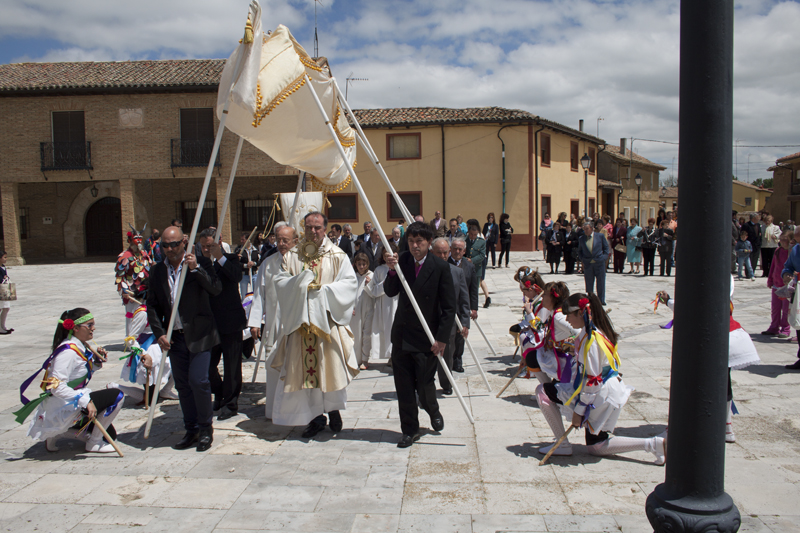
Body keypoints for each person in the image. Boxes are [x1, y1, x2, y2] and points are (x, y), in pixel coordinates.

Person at [534, 293, 666, 463]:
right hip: (606, 390)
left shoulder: (592, 340)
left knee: (543, 392)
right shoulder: (593, 331)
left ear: (581, 313)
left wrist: (579, 411)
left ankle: (562, 444)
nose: (566, 319)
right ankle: (654, 444)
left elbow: (592, 380)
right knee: (597, 446)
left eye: (569, 315)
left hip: (601, 394)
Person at [271, 212, 359, 438]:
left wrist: (323, 291)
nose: (313, 231)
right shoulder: (293, 255)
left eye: (317, 227)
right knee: (306, 374)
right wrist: (299, 283)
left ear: (325, 229)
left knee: (330, 370)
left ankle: (334, 411)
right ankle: (315, 418)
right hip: (300, 326)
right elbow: (280, 281)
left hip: (327, 324)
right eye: (309, 227)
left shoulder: (337, 255)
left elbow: (349, 283)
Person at [147, 226, 222, 452]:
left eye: (174, 244)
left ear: (184, 243)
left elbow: (215, 289)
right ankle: (191, 429)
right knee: (182, 385)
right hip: (175, 337)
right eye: (165, 245)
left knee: (199, 381)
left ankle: (206, 428)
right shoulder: (157, 271)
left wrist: (196, 269)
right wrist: (159, 333)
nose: (170, 249)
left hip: (200, 334)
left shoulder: (201, 263)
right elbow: (152, 305)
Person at [657, 278, 760, 442]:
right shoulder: (726, 277)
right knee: (723, 381)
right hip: (729, 335)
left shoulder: (709, 276)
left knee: (690, 381)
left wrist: (670, 301)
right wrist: (669, 300)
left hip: (713, 338)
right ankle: (726, 427)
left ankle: (680, 428)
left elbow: (692, 305)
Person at [384, 222, 455, 448]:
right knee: (404, 386)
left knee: (424, 385)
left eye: (419, 242)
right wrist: (392, 271)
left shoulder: (440, 267)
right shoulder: (402, 260)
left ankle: (433, 409)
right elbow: (390, 291)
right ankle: (410, 430)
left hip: (427, 337)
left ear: (429, 242)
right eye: (411, 241)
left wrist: (441, 339)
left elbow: (449, 307)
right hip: (403, 334)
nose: (415, 246)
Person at [16, 308, 122, 454]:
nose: (93, 328)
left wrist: (97, 361)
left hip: (72, 399)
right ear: (76, 328)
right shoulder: (68, 352)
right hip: (64, 403)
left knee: (110, 436)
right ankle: (93, 442)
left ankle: (60, 434)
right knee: (117, 396)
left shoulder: (79, 345)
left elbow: (79, 375)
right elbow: (55, 386)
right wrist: (85, 401)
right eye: (89, 325)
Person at [198, 229, 247, 421]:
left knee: (232, 365)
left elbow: (236, 277)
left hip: (230, 320)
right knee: (207, 365)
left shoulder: (231, 259)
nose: (206, 249)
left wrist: (220, 257)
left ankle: (230, 403)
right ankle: (218, 392)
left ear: (218, 243)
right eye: (203, 246)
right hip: (208, 323)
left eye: (210, 245)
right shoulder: (198, 263)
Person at [249, 222, 297, 417]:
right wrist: (255, 322)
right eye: (279, 240)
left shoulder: (302, 262)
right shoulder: (268, 263)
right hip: (274, 324)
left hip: (295, 323)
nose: (282, 244)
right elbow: (259, 294)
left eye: (286, 240)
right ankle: (274, 410)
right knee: (273, 364)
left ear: (295, 241)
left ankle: (295, 410)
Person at [517, 279, 576, 385]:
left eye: (545, 295)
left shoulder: (559, 317)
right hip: (553, 351)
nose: (542, 297)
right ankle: (549, 386)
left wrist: (571, 341)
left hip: (563, 358)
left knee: (532, 358)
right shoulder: (554, 313)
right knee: (531, 356)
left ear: (553, 298)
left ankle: (548, 388)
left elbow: (578, 331)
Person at [431, 238, 469, 396]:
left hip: (449, 321)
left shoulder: (457, 272)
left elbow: (464, 299)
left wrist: (465, 322)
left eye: (445, 252)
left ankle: (446, 383)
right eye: (438, 253)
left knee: (447, 354)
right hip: (429, 319)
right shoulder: (426, 270)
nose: (442, 256)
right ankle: (426, 383)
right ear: (432, 252)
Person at [365, 242, 400, 365]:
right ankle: (389, 355)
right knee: (385, 329)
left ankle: (395, 355)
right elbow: (373, 290)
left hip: (396, 302)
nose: (387, 258)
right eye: (385, 255)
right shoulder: (379, 270)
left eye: (389, 255)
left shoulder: (399, 268)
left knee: (395, 328)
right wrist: (384, 284)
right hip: (383, 304)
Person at [115, 226, 152, 337]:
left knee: (145, 314)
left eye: (140, 238)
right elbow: (120, 275)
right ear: (130, 240)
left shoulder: (144, 254)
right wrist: (124, 290)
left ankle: (144, 338)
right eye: (136, 238)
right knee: (132, 315)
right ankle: (130, 340)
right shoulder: (125, 256)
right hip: (132, 292)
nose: (139, 241)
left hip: (145, 291)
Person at [448, 237, 477, 373]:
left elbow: (473, 289)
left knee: (461, 335)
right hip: (449, 306)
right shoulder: (444, 264)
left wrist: (474, 308)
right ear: (450, 249)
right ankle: (448, 360)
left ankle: (457, 360)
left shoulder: (469, 266)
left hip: (463, 307)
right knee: (449, 336)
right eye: (455, 249)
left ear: (464, 251)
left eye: (460, 249)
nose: (457, 251)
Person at [763, 229, 793, 339]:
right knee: (775, 308)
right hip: (776, 284)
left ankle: (785, 328)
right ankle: (774, 327)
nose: (783, 242)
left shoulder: (792, 252)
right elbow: (773, 266)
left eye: (785, 239)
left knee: (786, 309)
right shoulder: (777, 251)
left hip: (787, 286)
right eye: (781, 239)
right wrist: (770, 279)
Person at [352, 252, 375, 370]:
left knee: (366, 334)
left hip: (369, 308)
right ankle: (356, 359)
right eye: (359, 264)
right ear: (355, 264)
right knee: (356, 333)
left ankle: (365, 359)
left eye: (364, 264)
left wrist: (368, 284)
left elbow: (374, 294)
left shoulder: (372, 275)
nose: (361, 266)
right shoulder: (352, 276)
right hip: (355, 309)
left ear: (367, 264)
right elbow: (349, 293)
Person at [578, 222, 610, 306]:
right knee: (589, 283)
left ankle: (601, 300)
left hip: (599, 262)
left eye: (587, 229)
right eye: (584, 229)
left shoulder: (600, 236)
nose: (585, 231)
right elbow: (579, 251)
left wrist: (604, 258)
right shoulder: (581, 238)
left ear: (592, 228)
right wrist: (583, 259)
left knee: (601, 282)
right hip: (588, 264)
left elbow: (606, 248)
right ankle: (590, 299)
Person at [465, 221, 490, 307]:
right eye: (471, 234)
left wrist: (472, 260)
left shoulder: (481, 242)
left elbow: (482, 255)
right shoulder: (464, 240)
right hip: (466, 268)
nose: (473, 236)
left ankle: (474, 306)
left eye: (475, 235)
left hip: (476, 268)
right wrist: (465, 260)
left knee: (475, 289)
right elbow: (461, 253)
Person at [235, 232, 259, 299]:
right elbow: (236, 262)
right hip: (244, 275)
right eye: (241, 239)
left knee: (256, 294)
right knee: (244, 296)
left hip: (254, 275)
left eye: (243, 239)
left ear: (248, 240)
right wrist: (245, 265)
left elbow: (260, 261)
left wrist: (254, 263)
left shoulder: (255, 249)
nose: (241, 241)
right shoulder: (239, 250)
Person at [0, 250, 12, 335]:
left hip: (4, 289)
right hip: (1, 289)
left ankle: (3, 326)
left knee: (6, 308)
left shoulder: (3, 266)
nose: (6, 259)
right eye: (4, 257)